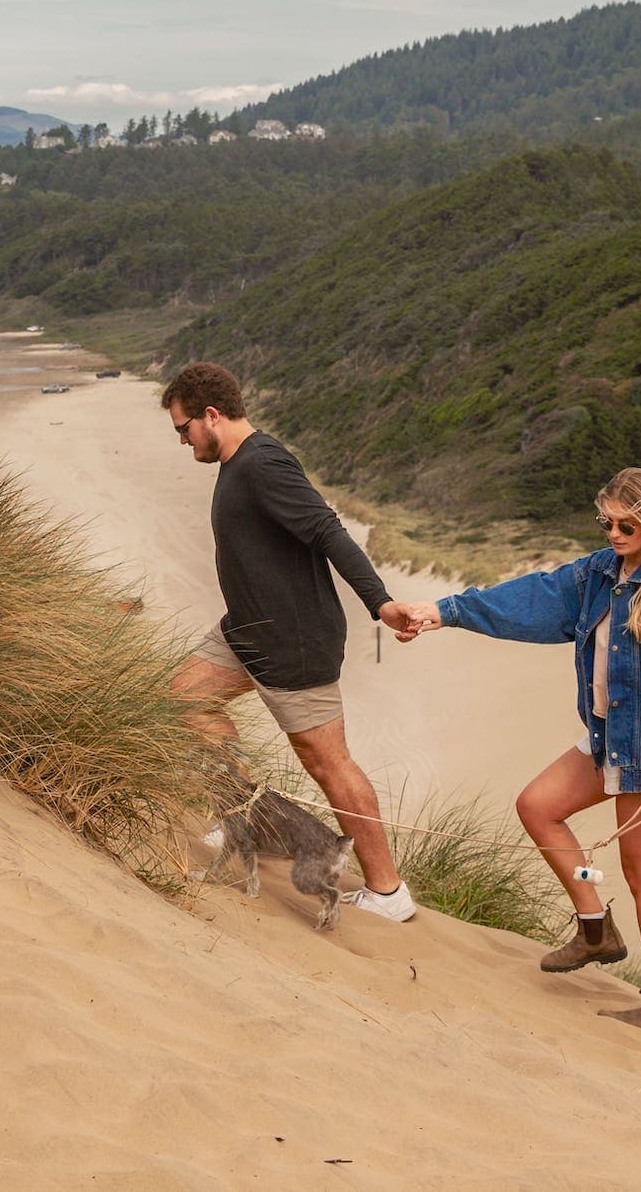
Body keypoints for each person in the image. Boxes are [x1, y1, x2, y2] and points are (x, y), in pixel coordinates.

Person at [390, 467, 641, 1042]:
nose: (614, 534)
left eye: (627, 526)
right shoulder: (597, 574)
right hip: (604, 740)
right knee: (538, 807)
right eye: (607, 522)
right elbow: (531, 599)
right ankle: (595, 927)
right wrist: (444, 611)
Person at [162, 361, 423, 922]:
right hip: (244, 630)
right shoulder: (236, 466)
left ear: (212, 415)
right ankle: (249, 817)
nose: (183, 441)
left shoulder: (263, 463)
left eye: (184, 429)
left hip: (294, 644)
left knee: (328, 764)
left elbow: (329, 531)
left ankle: (387, 892)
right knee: (181, 699)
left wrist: (381, 602)